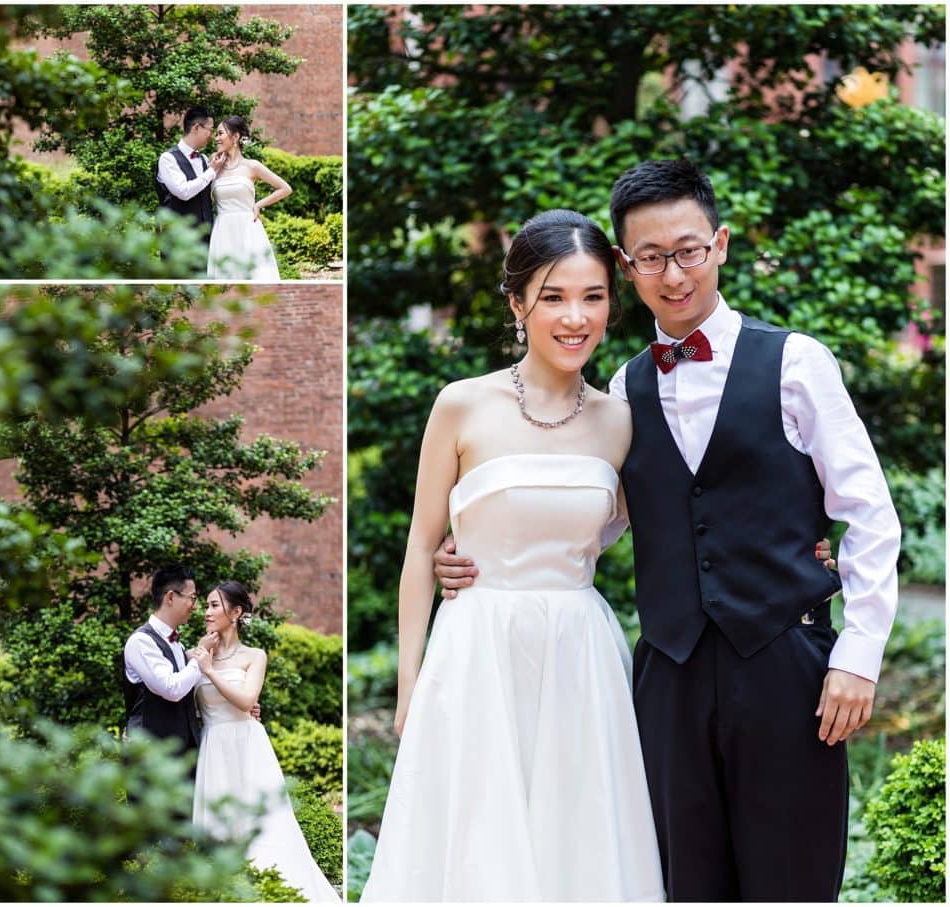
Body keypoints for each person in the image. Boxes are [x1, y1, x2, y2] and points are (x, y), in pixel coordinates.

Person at [436, 160, 901, 901]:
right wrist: (471, 545)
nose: (673, 273)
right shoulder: (620, 390)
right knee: (678, 883)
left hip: (787, 667)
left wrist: (859, 655)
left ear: (719, 243)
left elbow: (871, 514)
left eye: (688, 250)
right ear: (627, 265)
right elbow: (600, 519)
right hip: (668, 676)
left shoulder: (797, 363)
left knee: (793, 880)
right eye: (650, 258)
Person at [361, 210, 665, 902]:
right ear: (517, 302)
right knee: (475, 849)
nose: (574, 317)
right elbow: (418, 545)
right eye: (553, 297)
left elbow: (654, 525)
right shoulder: (462, 406)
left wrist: (808, 546)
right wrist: (409, 686)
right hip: (475, 650)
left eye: (592, 297)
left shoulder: (621, 419)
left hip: (581, 656)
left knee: (579, 849)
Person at [190, 581, 338, 902]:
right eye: (206, 605)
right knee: (219, 829)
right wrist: (201, 659)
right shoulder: (198, 654)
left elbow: (246, 701)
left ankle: (276, 891)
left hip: (247, 745)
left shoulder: (254, 656)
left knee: (264, 827)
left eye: (214, 605)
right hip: (213, 747)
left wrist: (210, 671)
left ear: (236, 612)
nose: (207, 612)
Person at [123, 564, 212, 756]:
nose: (195, 606)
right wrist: (201, 652)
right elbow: (172, 689)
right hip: (151, 754)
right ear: (171, 597)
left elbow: (189, 695)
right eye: (192, 598)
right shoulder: (141, 641)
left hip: (183, 752)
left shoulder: (177, 645)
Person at [206, 115, 292, 280]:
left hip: (248, 227)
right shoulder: (213, 164)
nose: (216, 138)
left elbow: (285, 188)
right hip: (223, 229)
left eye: (220, 133)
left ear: (236, 137)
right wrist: (212, 168)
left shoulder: (252, 166)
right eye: (216, 134)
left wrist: (259, 205)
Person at [155, 106, 224, 251]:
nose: (212, 135)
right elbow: (183, 191)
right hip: (178, 241)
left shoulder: (205, 159)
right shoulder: (168, 159)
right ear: (197, 128)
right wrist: (212, 171)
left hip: (206, 240)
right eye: (210, 130)